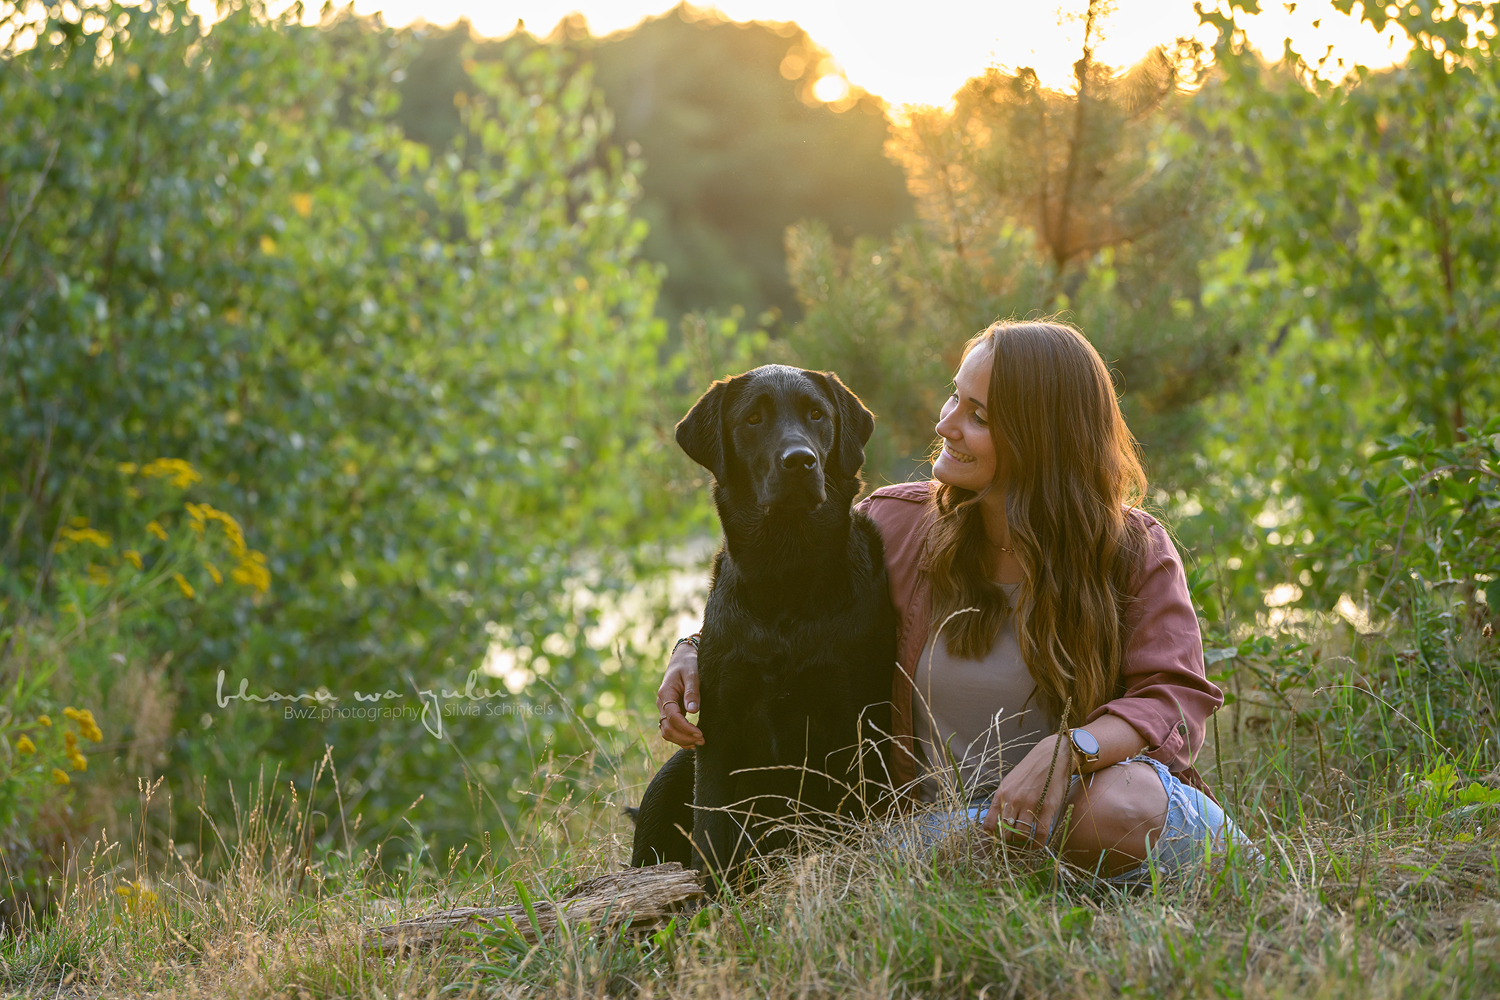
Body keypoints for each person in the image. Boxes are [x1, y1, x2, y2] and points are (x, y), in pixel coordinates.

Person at [656, 320, 1255, 881]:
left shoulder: (1130, 548)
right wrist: (695, 649)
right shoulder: (895, 524)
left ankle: (1086, 873)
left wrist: (1068, 752)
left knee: (1127, 805)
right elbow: (778, 597)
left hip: (1085, 807)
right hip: (940, 829)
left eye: (978, 415)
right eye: (953, 398)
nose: (946, 424)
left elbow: (1173, 697)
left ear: (1040, 438)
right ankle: (1032, 883)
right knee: (897, 855)